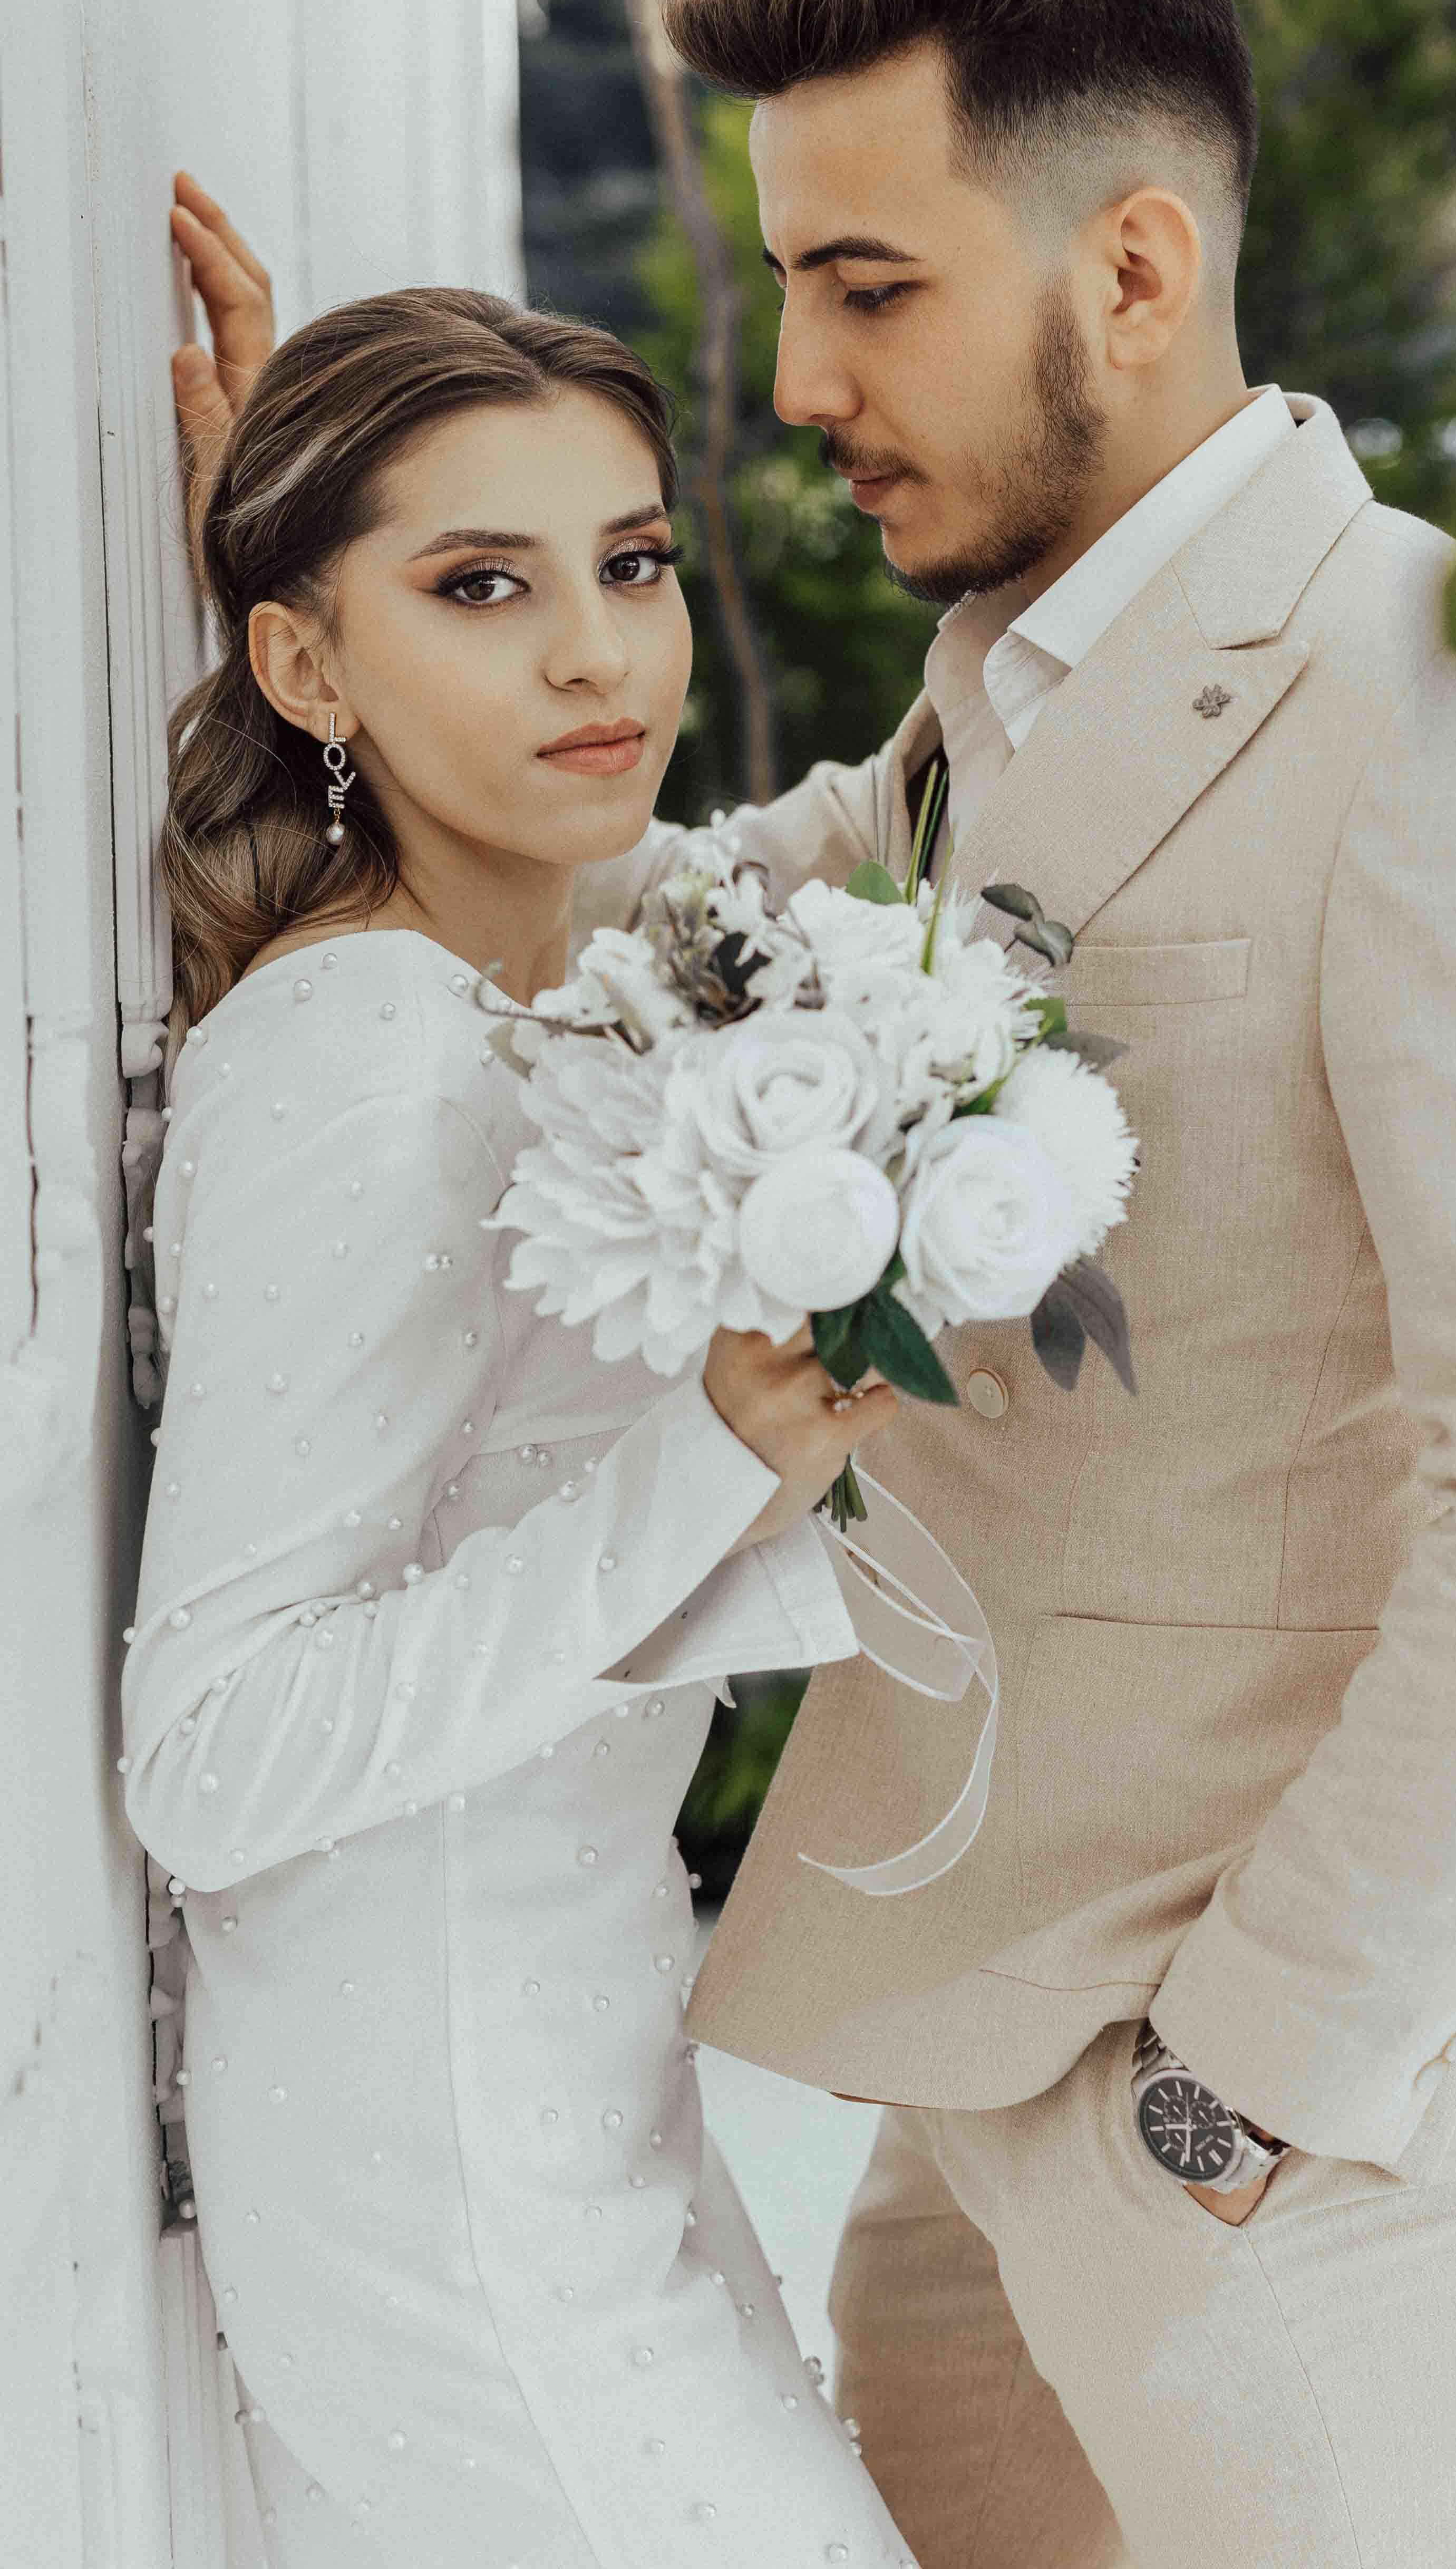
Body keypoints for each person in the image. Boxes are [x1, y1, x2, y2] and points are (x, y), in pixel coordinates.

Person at [171, 0, 1456, 2569]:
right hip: (966, 2088)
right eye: (793, 284)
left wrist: (1241, 2081)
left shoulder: (1450, 710)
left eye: (863, 287)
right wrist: (344, 573)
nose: (795, 384)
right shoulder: (986, 699)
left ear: (1129, 274)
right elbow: (651, 910)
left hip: (1267, 2133)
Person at [123, 279, 915, 2569]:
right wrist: (716, 1467)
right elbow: (209, 1752)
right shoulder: (362, 1050)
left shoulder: (553, 955)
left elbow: (729, 897)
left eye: (632, 564)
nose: (600, 658)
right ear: (306, 666)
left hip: (582, 2094)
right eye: (486, 588)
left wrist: (338, 584)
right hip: (448, 2189)